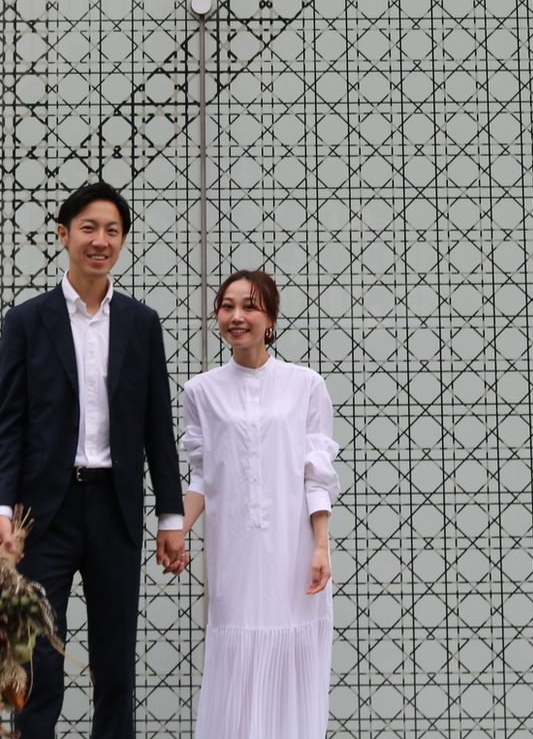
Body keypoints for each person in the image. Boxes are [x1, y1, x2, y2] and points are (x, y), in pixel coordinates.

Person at [0, 181, 185, 739]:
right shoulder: (28, 321)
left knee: (115, 663)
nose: (101, 240)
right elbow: (8, 426)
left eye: (112, 231)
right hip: (41, 516)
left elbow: (158, 427)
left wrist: (171, 517)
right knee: (38, 661)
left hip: (114, 510)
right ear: (64, 234)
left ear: (122, 241)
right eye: (89, 228)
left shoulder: (141, 323)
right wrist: (1, 509)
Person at [180, 270, 339, 739]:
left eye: (249, 306)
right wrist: (176, 531)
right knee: (236, 656)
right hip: (234, 553)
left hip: (293, 553)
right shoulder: (200, 392)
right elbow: (202, 475)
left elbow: (316, 472)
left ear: (270, 318)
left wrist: (321, 545)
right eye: (227, 306)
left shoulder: (305, 385)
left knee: (293, 661)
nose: (237, 316)